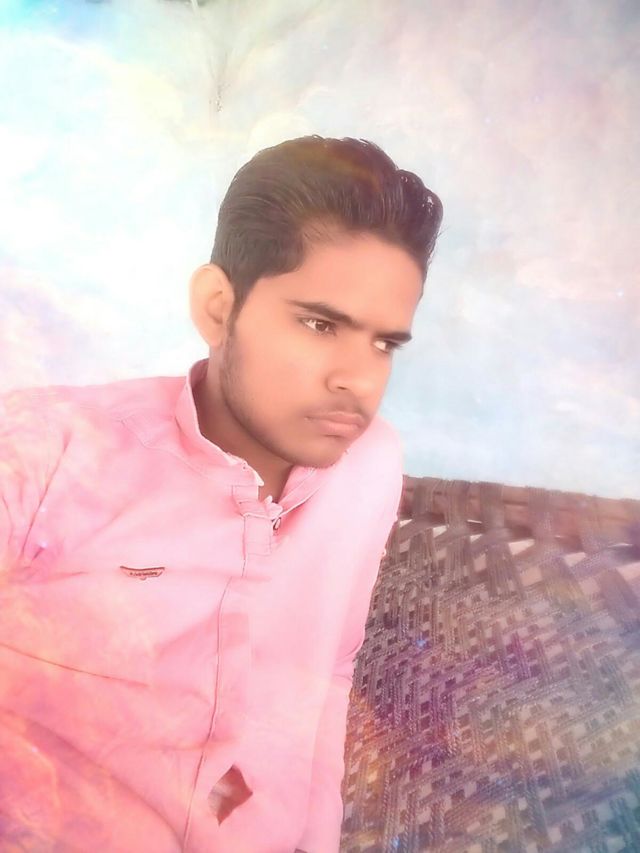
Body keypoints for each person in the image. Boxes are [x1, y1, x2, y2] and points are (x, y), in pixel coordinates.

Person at [0, 135, 442, 852]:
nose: (358, 379)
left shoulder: (369, 462)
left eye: (384, 343)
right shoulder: (47, 448)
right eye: (320, 323)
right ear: (217, 307)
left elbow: (325, 674)